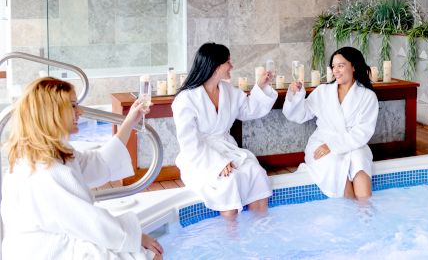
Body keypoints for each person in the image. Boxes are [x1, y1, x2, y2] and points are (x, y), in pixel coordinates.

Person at [1, 77, 163, 259]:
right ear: (51, 112)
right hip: (47, 251)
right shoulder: (46, 171)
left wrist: (130, 121)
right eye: (72, 106)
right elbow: (90, 222)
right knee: (148, 255)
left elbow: (99, 163)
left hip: (53, 243)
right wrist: (136, 237)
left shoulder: (46, 154)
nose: (80, 111)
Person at [172, 43, 277, 219]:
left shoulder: (228, 91)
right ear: (215, 66)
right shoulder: (186, 99)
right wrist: (217, 164)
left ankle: (260, 232)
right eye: (228, 61)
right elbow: (189, 143)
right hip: (201, 158)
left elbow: (248, 109)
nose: (232, 65)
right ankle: (230, 238)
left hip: (228, 150)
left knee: (256, 173)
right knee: (229, 182)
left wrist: (261, 86)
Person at [282, 46, 378, 200]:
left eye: (341, 66)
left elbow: (363, 132)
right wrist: (296, 94)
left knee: (360, 165)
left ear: (353, 67)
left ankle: (365, 216)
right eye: (333, 67)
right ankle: (349, 214)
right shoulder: (323, 91)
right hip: (322, 143)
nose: (335, 71)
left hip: (353, 144)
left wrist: (333, 145)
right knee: (335, 167)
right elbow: (300, 115)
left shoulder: (368, 96)